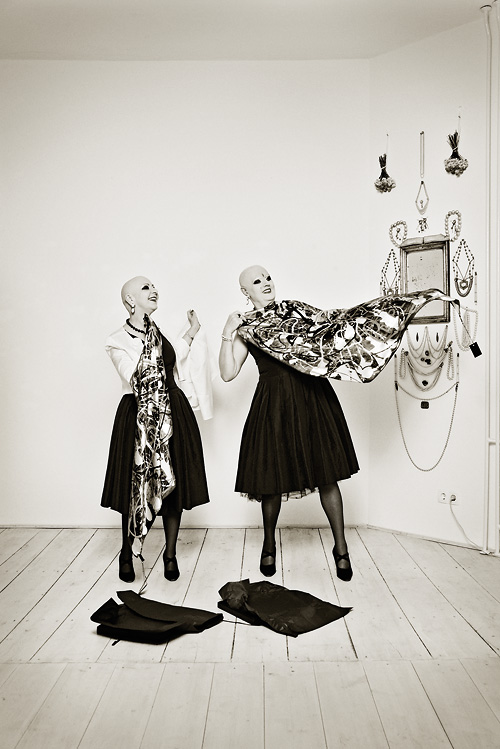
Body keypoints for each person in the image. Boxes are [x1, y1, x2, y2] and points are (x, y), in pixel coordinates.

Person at [219, 266, 358, 581]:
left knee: (327, 474)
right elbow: (227, 373)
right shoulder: (246, 327)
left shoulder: (294, 310)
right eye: (257, 281)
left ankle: (341, 549)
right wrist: (227, 331)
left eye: (268, 277)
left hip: (312, 396)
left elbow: (332, 328)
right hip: (274, 403)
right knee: (271, 478)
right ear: (245, 292)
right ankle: (269, 545)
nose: (266, 283)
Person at [101, 276, 211, 583]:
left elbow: (174, 359)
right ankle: (127, 552)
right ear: (130, 300)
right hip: (137, 415)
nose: (154, 291)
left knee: (173, 483)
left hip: (174, 412)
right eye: (146, 288)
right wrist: (150, 344)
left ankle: (170, 554)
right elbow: (133, 374)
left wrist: (191, 332)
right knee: (133, 486)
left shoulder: (159, 333)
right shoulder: (116, 340)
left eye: (154, 286)